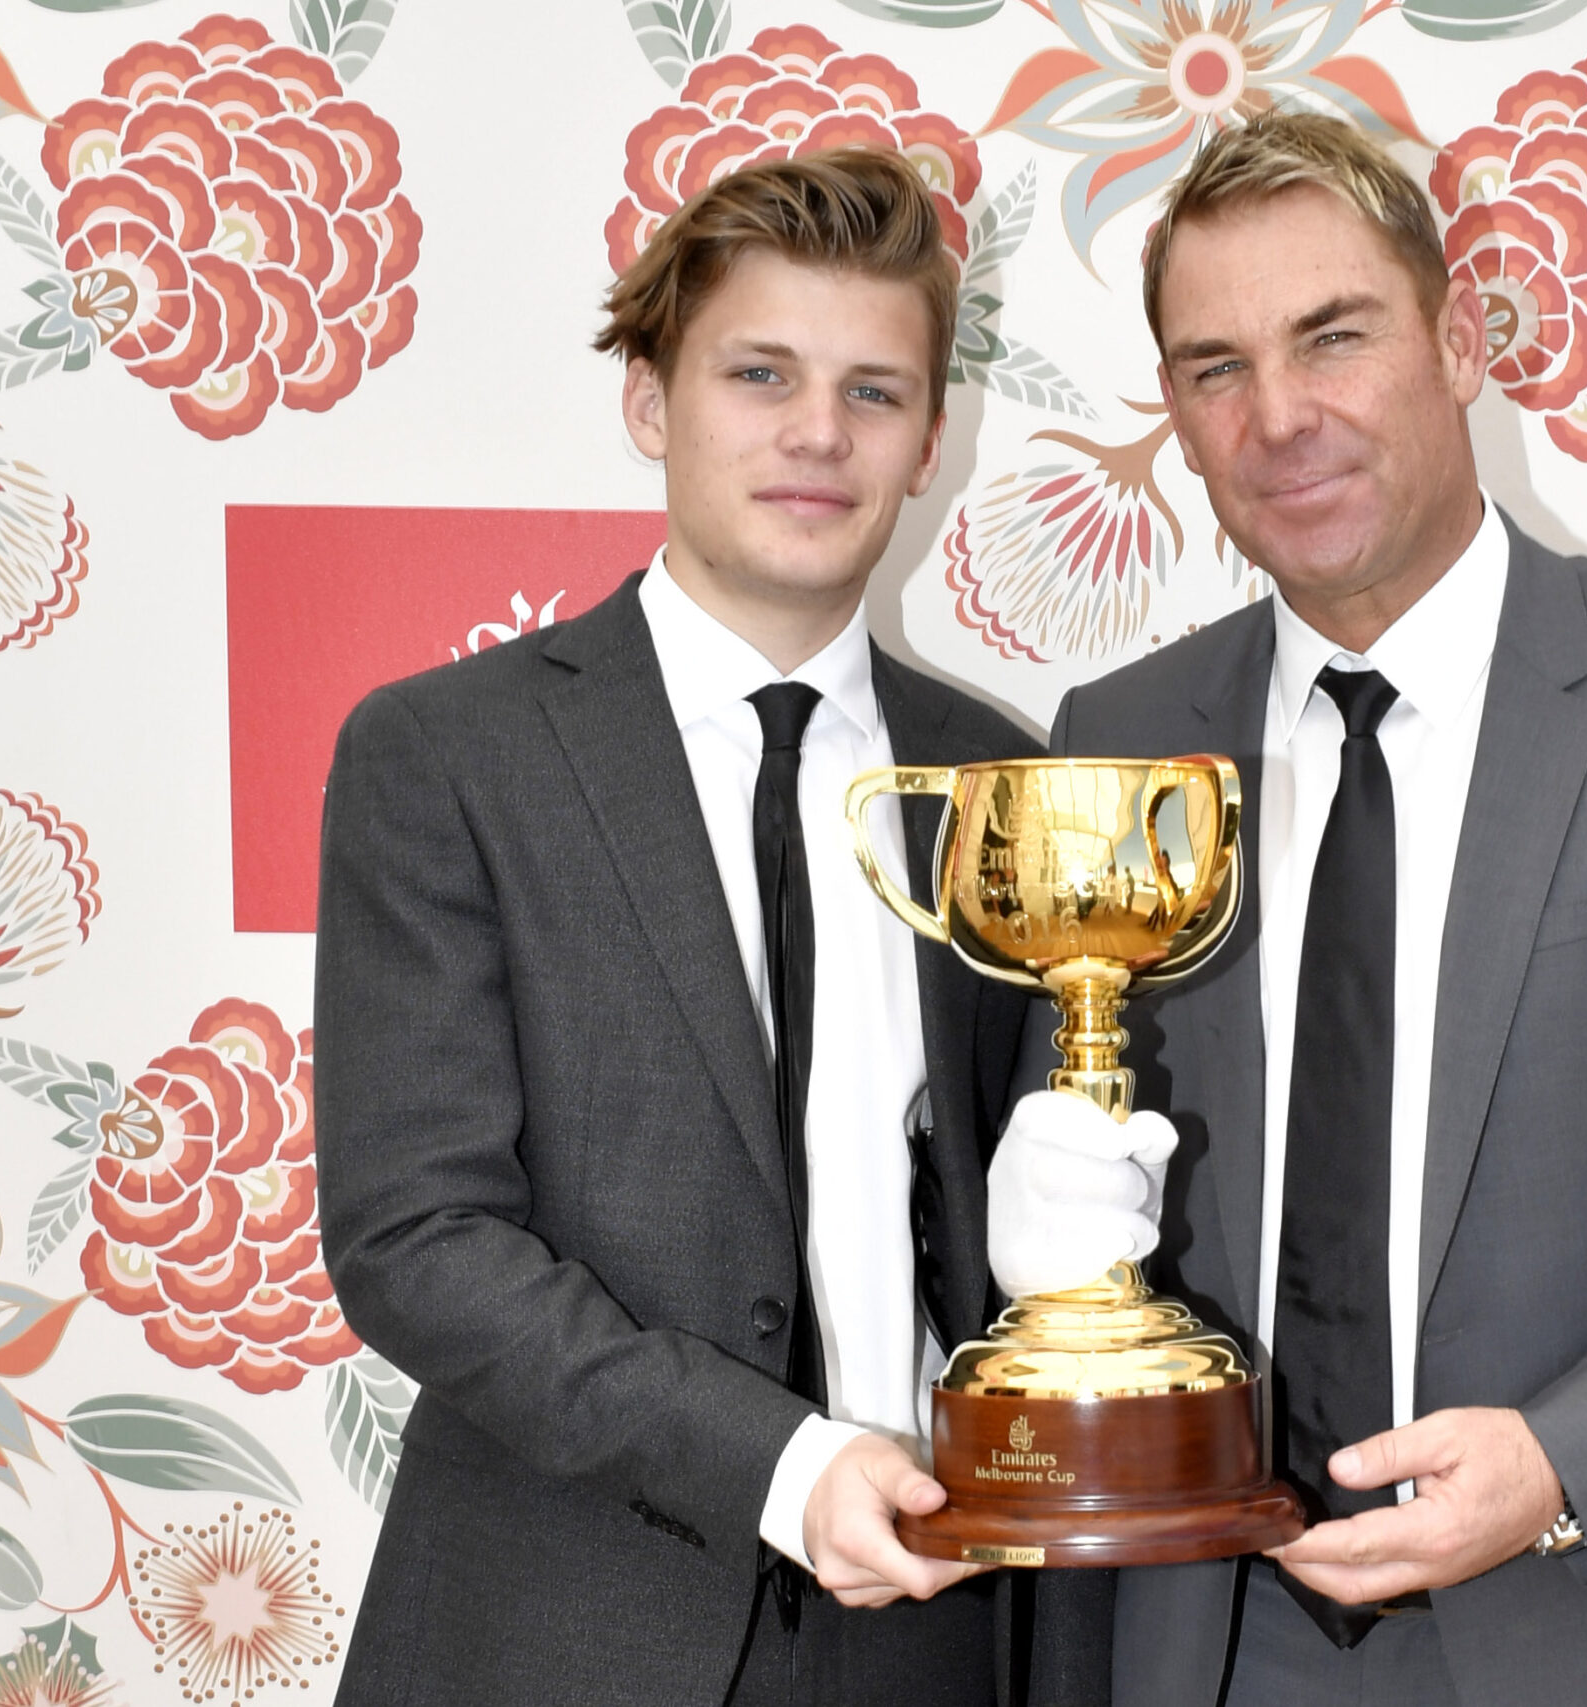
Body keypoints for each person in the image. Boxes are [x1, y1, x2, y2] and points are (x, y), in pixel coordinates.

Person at [986, 113, 1587, 1705]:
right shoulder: (1122, 738)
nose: (1280, 416)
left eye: (1334, 337)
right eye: (1217, 367)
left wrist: (1565, 1462)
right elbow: (1077, 1195)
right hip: (1221, 1646)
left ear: (1459, 344)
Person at [316, 149, 1046, 1706]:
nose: (817, 433)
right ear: (651, 401)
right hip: (556, 1630)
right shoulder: (447, 757)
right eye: (759, 373)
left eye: (873, 391)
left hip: (934, 1631)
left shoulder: (1003, 781)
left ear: (930, 441)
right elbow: (416, 1241)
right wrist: (779, 1465)